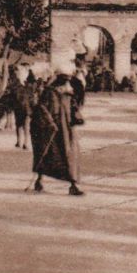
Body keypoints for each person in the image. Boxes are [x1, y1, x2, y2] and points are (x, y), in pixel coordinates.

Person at [30, 62, 85, 196]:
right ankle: (39, 180)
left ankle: (73, 185)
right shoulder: (49, 92)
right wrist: (49, 122)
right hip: (51, 130)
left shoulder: (68, 94)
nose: (66, 82)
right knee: (47, 154)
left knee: (70, 155)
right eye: (64, 79)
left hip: (67, 130)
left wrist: (77, 116)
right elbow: (41, 108)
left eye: (68, 79)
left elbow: (74, 108)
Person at [13, 67, 34, 149]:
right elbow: (32, 98)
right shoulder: (29, 86)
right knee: (26, 126)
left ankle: (19, 141)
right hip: (27, 108)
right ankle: (25, 142)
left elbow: (15, 97)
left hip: (19, 108)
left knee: (19, 125)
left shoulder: (16, 86)